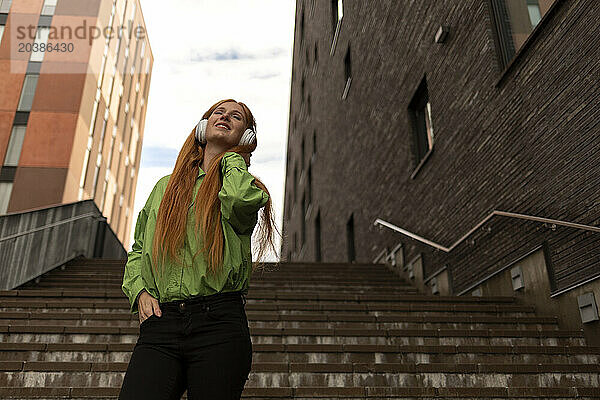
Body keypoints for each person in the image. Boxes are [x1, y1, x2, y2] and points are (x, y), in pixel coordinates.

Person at [119, 99, 279, 400]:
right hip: (161, 326)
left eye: (237, 117)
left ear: (247, 136)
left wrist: (234, 158)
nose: (225, 117)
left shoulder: (243, 186)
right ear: (203, 126)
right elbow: (139, 248)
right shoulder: (165, 187)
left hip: (220, 324)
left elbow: (239, 202)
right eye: (219, 112)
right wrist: (140, 290)